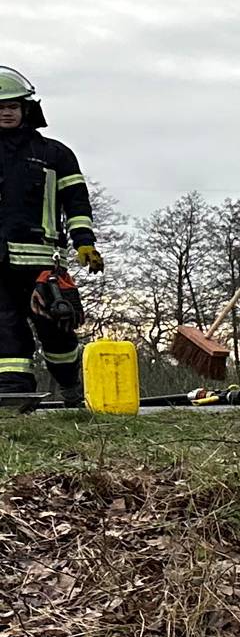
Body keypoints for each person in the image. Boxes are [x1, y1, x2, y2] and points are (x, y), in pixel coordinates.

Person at [0, 67, 101, 406]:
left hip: (41, 263)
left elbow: (77, 202)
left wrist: (84, 242)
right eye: (0, 107)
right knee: (5, 327)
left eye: (12, 106)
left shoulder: (55, 154)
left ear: (26, 108)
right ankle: (13, 393)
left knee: (56, 330)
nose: (6, 112)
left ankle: (70, 385)